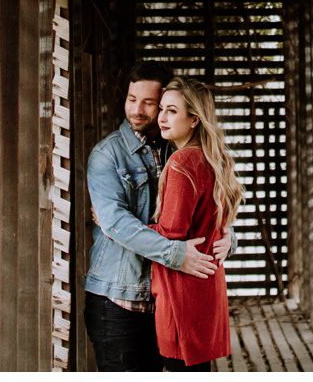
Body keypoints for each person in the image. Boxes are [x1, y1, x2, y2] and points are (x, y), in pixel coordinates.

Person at [85, 65, 234, 371]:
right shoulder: (107, 154)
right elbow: (117, 222)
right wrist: (176, 254)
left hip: (166, 297)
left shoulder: (179, 147)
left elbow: (209, 206)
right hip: (121, 297)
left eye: (150, 103)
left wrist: (227, 236)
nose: (137, 110)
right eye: (131, 98)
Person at [150, 76, 242, 371]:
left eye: (172, 111)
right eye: (162, 109)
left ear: (193, 120)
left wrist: (118, 229)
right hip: (207, 290)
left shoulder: (181, 163)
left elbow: (170, 235)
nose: (161, 117)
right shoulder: (214, 159)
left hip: (181, 294)